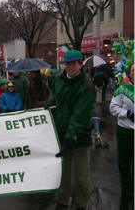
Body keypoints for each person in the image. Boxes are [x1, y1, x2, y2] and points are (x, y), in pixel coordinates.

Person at [46, 50, 95, 210]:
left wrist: (70, 137)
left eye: (74, 63)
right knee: (63, 173)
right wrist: (50, 105)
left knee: (81, 175)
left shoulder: (86, 86)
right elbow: (56, 98)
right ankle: (62, 200)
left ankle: (81, 204)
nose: (70, 66)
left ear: (80, 64)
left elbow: (80, 116)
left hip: (80, 136)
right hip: (61, 134)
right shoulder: (59, 80)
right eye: (68, 63)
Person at [109, 63, 134, 210]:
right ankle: (127, 188)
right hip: (125, 131)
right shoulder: (122, 90)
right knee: (125, 162)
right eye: (133, 70)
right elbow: (113, 107)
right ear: (129, 73)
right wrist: (127, 114)